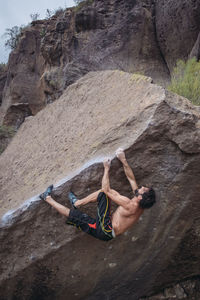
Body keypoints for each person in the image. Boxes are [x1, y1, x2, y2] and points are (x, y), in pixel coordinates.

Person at [40, 148, 156, 241]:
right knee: (75, 216)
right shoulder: (140, 202)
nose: (142, 187)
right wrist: (123, 159)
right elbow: (131, 179)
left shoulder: (130, 205)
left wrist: (106, 168)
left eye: (143, 189)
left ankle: (73, 202)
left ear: (140, 197)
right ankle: (50, 198)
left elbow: (105, 190)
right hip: (106, 231)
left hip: (106, 229)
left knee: (103, 194)